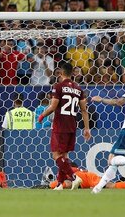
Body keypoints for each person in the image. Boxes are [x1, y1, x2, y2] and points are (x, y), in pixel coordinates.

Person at [37, 62, 91, 190]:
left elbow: (53, 106)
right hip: (72, 126)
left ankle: (74, 177)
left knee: (56, 155)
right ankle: (60, 184)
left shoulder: (58, 87)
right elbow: (84, 110)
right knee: (64, 156)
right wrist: (87, 128)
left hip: (60, 125)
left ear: (60, 73)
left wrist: (42, 116)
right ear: (72, 73)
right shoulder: (78, 89)